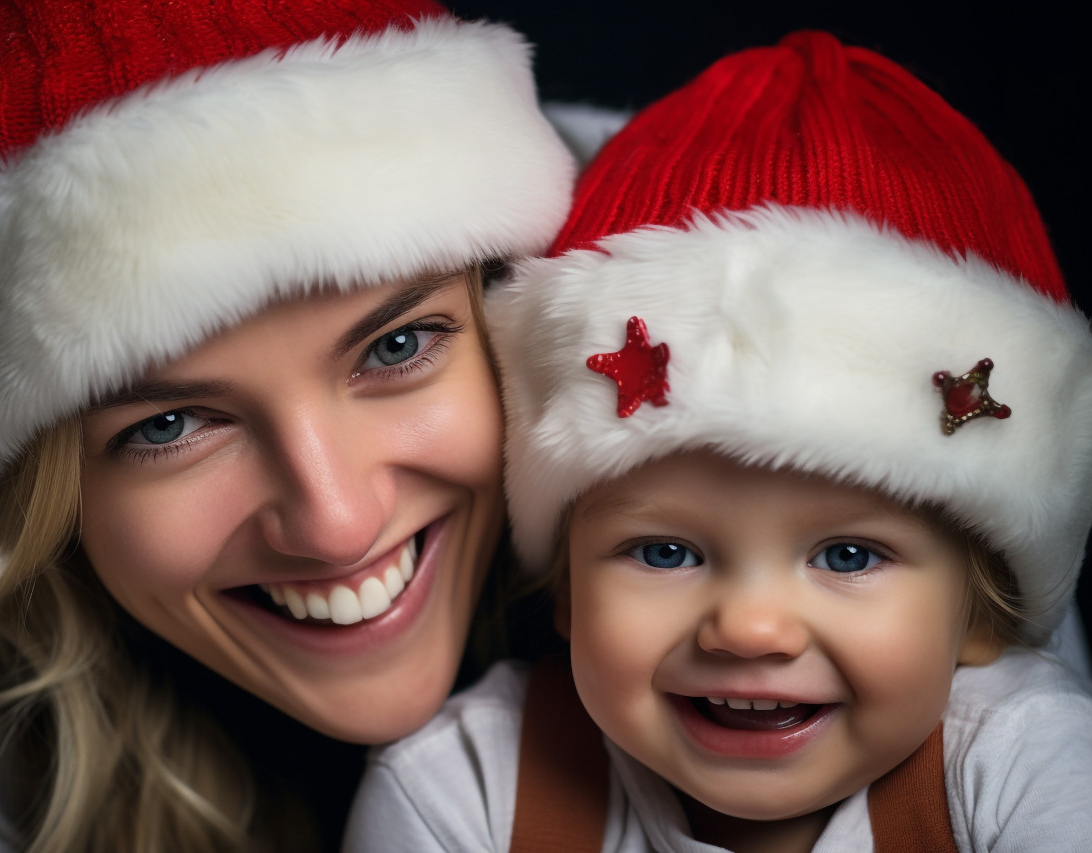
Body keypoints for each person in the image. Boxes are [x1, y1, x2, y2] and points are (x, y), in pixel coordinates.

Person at [0, 1, 576, 850]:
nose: (337, 524)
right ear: (43, 493)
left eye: (398, 345)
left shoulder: (704, 375)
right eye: (169, 423)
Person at [345, 31, 1092, 852]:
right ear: (566, 589)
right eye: (663, 551)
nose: (749, 627)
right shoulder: (465, 791)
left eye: (848, 555)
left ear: (979, 614)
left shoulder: (1021, 766)